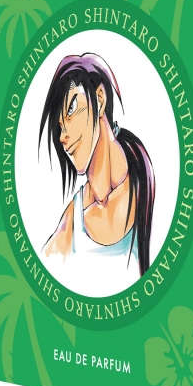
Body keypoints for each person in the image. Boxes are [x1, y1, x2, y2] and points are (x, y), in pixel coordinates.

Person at [38, 53, 155, 279]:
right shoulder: (74, 219)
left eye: (71, 108)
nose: (62, 136)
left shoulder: (142, 173)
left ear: (100, 99)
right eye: (60, 126)